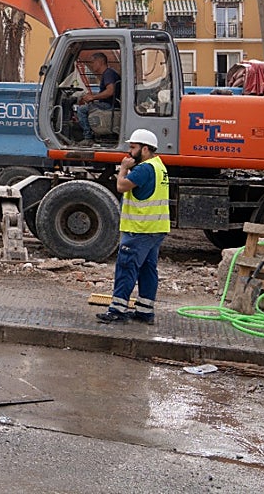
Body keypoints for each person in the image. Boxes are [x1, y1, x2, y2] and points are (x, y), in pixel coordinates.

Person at [97, 129, 170, 325]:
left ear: (145, 149)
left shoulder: (144, 169)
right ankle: (145, 311)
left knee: (126, 267)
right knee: (148, 269)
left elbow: (122, 186)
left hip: (140, 228)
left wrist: (122, 168)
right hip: (155, 228)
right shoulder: (158, 165)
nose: (129, 152)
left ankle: (118, 310)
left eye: (133, 147)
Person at [76, 52, 120, 146]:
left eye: (93, 62)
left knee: (81, 110)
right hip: (111, 103)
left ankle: (88, 138)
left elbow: (110, 91)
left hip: (109, 105)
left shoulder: (108, 73)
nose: (92, 65)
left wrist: (93, 97)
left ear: (100, 62)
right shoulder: (109, 73)